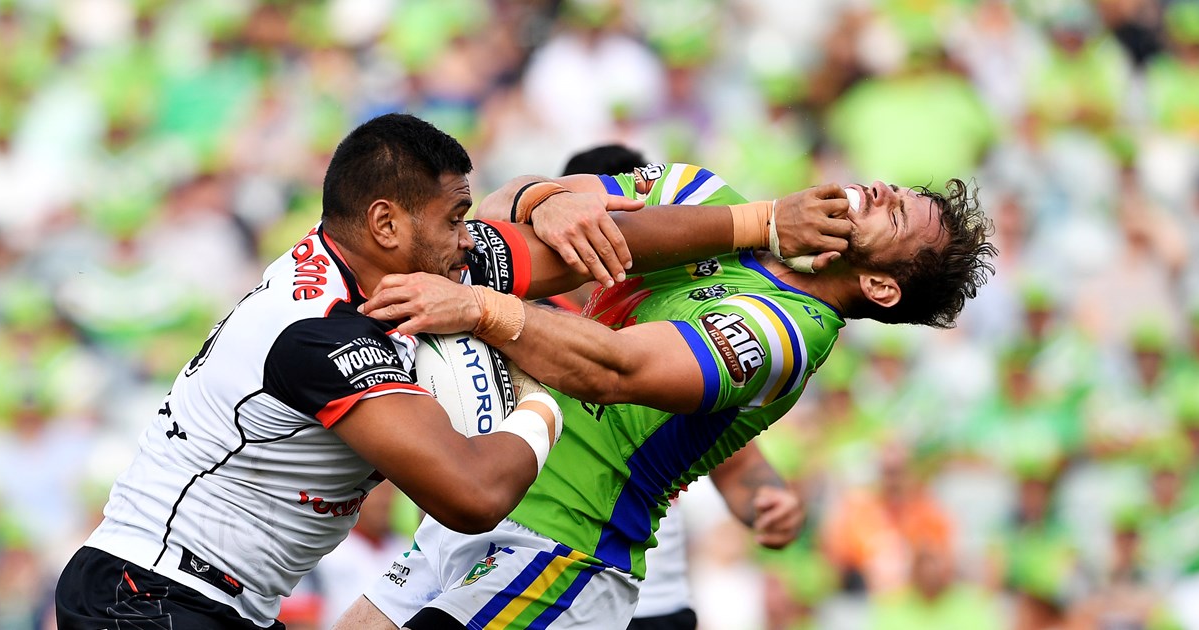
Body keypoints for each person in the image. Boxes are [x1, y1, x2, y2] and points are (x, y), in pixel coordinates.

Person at [55, 113, 853, 629]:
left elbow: (578, 252)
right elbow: (472, 495)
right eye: (456, 218)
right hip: (149, 598)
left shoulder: (408, 269)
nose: (472, 236)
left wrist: (761, 222)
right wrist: (540, 395)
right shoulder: (323, 333)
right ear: (385, 222)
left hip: (200, 601)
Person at [342, 163, 996, 629]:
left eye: (896, 213)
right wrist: (544, 197)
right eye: (895, 189)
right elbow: (492, 218)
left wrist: (480, 308)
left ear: (881, 289)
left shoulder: (787, 334)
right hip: (471, 507)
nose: (881, 191)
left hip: (561, 549)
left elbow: (617, 370)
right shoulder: (703, 193)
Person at [553, 145, 807, 630]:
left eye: (645, 220)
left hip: (653, 603)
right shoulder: (530, 324)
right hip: (542, 574)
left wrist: (769, 501)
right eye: (616, 220)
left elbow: (735, 464)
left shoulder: (680, 320)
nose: (632, 238)